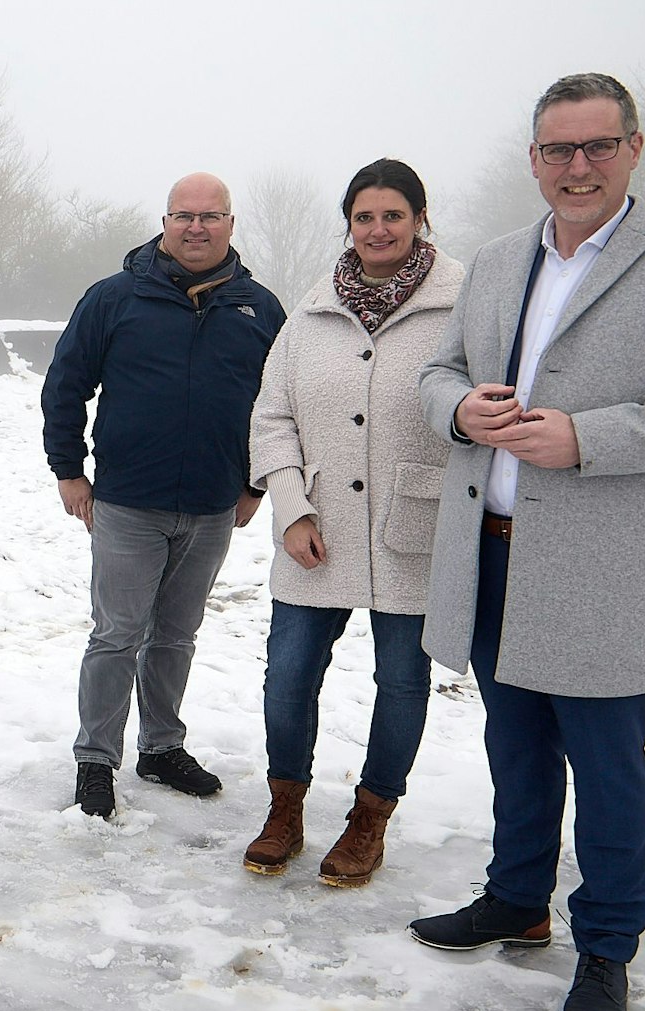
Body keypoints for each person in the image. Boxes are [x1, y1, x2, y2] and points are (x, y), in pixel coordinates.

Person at [410, 73, 645, 1011]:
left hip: (598, 562)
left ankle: (606, 947)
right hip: (489, 552)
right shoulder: (495, 259)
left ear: (634, 149)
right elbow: (438, 372)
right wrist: (458, 408)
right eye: (558, 150)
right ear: (534, 160)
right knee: (513, 748)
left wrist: (587, 438)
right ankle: (516, 896)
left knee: (609, 768)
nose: (577, 167)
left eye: (597, 146)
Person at [242, 159, 462, 886]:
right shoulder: (311, 311)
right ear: (349, 225)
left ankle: (370, 819)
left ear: (419, 220)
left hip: (414, 527)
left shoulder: (462, 301)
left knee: (402, 679)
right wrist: (290, 506)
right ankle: (285, 807)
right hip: (319, 530)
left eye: (393, 215)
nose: (378, 229)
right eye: (364, 217)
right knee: (288, 675)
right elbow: (272, 414)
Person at [42, 172, 287, 819]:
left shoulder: (260, 310)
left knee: (176, 635)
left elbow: (279, 405)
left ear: (231, 225)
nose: (197, 227)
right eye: (184, 215)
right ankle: (96, 759)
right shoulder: (115, 299)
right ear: (165, 221)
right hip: (127, 502)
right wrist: (69, 470)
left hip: (212, 506)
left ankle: (161, 747)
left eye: (210, 216)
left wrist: (254, 480)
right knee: (118, 634)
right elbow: (65, 382)